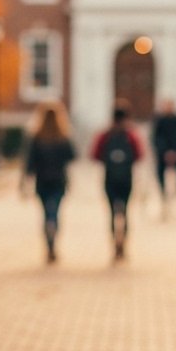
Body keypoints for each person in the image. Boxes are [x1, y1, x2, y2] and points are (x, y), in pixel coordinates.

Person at [20, 102, 77, 264]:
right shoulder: (63, 136)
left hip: (42, 181)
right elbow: (72, 156)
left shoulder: (36, 137)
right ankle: (54, 231)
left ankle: (48, 243)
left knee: (45, 212)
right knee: (55, 211)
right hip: (59, 180)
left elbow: (29, 163)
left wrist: (24, 182)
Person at [90, 99, 144, 261]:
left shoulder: (105, 135)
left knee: (112, 212)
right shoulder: (131, 135)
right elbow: (139, 155)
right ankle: (124, 245)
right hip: (127, 178)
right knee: (125, 211)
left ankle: (114, 243)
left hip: (110, 178)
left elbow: (95, 155)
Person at [150, 97, 176, 216]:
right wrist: (164, 151)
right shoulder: (159, 120)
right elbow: (156, 137)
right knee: (160, 174)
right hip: (162, 153)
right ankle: (164, 195)